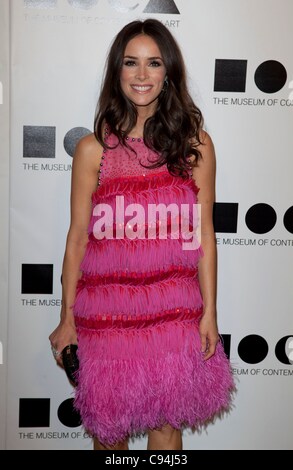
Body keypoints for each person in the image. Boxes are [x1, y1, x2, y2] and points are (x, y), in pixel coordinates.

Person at [49, 19, 234, 451]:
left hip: (174, 310)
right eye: (131, 63)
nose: (142, 75)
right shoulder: (93, 150)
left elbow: (203, 234)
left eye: (153, 63)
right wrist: (66, 317)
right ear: (118, 71)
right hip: (106, 314)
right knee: (109, 436)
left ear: (168, 72)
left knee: (167, 432)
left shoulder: (195, 146)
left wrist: (210, 313)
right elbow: (77, 239)